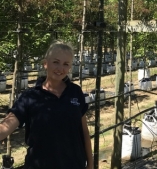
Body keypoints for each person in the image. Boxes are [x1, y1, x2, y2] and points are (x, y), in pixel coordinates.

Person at [0, 41, 93, 169]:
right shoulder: (30, 96)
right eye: (56, 62)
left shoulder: (75, 92)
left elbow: (84, 132)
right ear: (45, 64)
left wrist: (91, 164)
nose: (60, 68)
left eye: (66, 64)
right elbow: (6, 127)